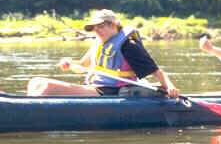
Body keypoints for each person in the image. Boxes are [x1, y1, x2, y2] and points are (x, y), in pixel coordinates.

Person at [27, 9, 180, 97]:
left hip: (110, 91)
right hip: (95, 88)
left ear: (113, 25)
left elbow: (155, 70)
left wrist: (170, 87)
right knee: (35, 81)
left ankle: (28, 112)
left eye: (100, 27)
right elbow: (82, 65)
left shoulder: (129, 45)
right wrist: (69, 64)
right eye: (94, 28)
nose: (96, 31)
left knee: (45, 86)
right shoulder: (100, 43)